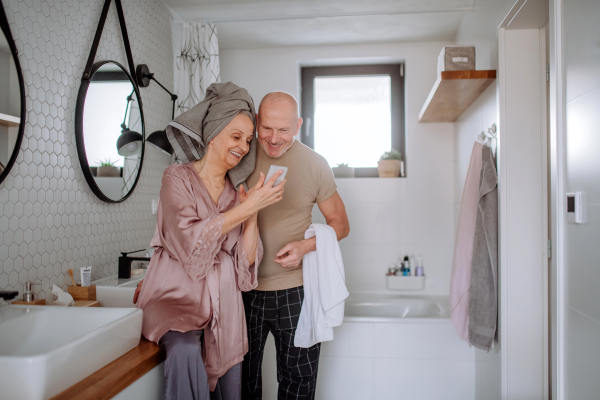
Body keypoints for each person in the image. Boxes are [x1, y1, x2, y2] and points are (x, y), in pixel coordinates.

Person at [135, 82, 287, 400]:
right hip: (174, 298)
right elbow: (188, 242)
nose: (244, 147)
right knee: (184, 347)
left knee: (230, 353)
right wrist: (247, 207)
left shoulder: (236, 194)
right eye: (236, 137)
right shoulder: (176, 178)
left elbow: (244, 266)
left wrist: (252, 213)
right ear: (213, 134)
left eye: (248, 140)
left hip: (224, 306)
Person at [242, 92, 350, 400]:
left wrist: (305, 248)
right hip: (243, 287)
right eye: (267, 128)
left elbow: (340, 224)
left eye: (284, 130)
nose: (274, 139)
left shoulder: (316, 164)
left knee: (298, 379)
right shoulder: (240, 156)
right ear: (257, 122)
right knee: (241, 377)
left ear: (298, 125)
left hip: (296, 291)